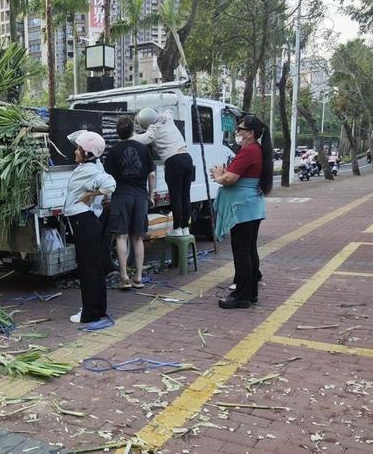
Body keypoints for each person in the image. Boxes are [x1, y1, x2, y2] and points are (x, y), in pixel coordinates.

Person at [211, 114, 273, 310]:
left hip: (243, 209)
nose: (237, 132)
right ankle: (250, 292)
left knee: (242, 253)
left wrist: (218, 176)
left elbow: (230, 179)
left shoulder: (249, 151)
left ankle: (242, 296)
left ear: (251, 133)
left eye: (240, 129)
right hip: (250, 207)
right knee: (249, 251)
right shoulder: (255, 150)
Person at [62, 130, 116, 330]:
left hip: (85, 223)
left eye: (78, 149)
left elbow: (111, 185)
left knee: (88, 269)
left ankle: (90, 313)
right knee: (93, 267)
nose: (75, 152)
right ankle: (95, 309)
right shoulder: (89, 166)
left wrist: (90, 194)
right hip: (85, 223)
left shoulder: (91, 170)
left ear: (88, 152)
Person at [103, 115, 155, 290]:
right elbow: (152, 174)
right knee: (138, 237)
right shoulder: (143, 149)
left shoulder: (113, 151)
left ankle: (124, 277)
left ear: (117, 132)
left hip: (120, 196)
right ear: (133, 130)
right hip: (140, 196)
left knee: (121, 236)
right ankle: (138, 277)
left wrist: (106, 198)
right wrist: (151, 195)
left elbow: (107, 178)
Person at [134, 107, 196, 236]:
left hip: (174, 161)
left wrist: (131, 136)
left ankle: (177, 229)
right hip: (187, 158)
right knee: (186, 196)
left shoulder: (153, 129)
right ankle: (185, 228)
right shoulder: (167, 117)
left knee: (176, 197)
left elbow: (144, 139)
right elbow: (170, 110)